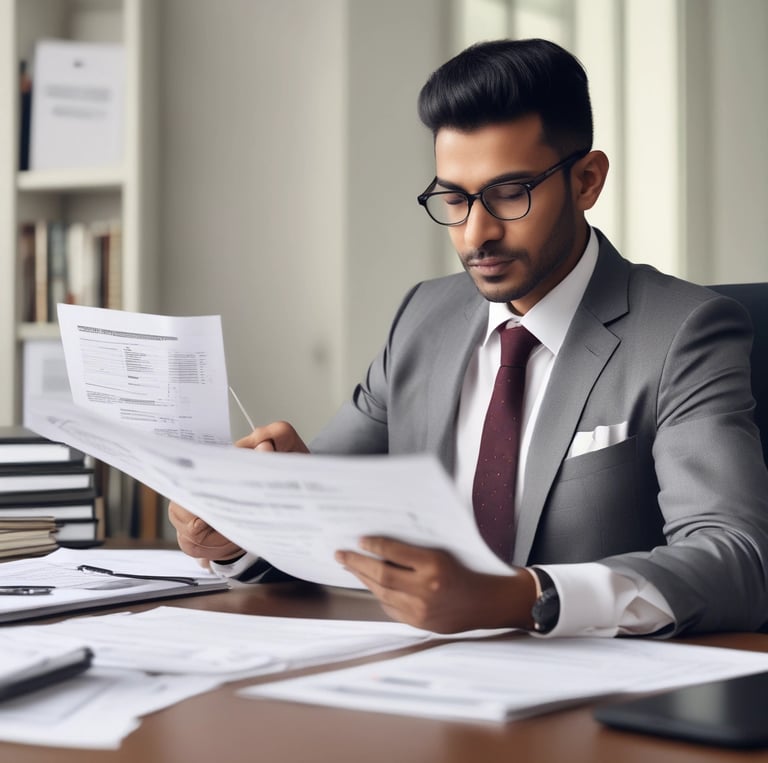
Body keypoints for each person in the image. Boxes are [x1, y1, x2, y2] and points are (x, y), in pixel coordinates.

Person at [170, 38, 768, 637]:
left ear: (587, 181)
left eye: (510, 194)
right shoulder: (422, 318)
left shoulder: (684, 331)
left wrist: (523, 598)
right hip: (420, 689)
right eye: (454, 198)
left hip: (590, 701)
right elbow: (322, 529)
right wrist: (238, 531)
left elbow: (738, 559)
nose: (475, 234)